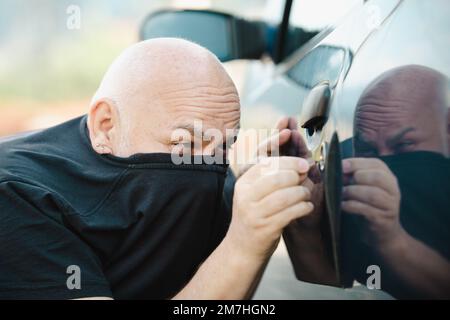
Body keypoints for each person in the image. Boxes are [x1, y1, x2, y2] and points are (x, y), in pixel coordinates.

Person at [0, 38, 314, 299]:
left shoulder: (208, 177)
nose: (206, 163)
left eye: (222, 147)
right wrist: (243, 244)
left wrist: (259, 206)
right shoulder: (17, 195)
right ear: (105, 125)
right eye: (184, 144)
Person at [284, 65, 450, 299]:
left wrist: (393, 240)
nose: (380, 167)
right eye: (368, 150)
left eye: (404, 146)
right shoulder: (339, 174)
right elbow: (327, 289)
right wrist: (306, 222)